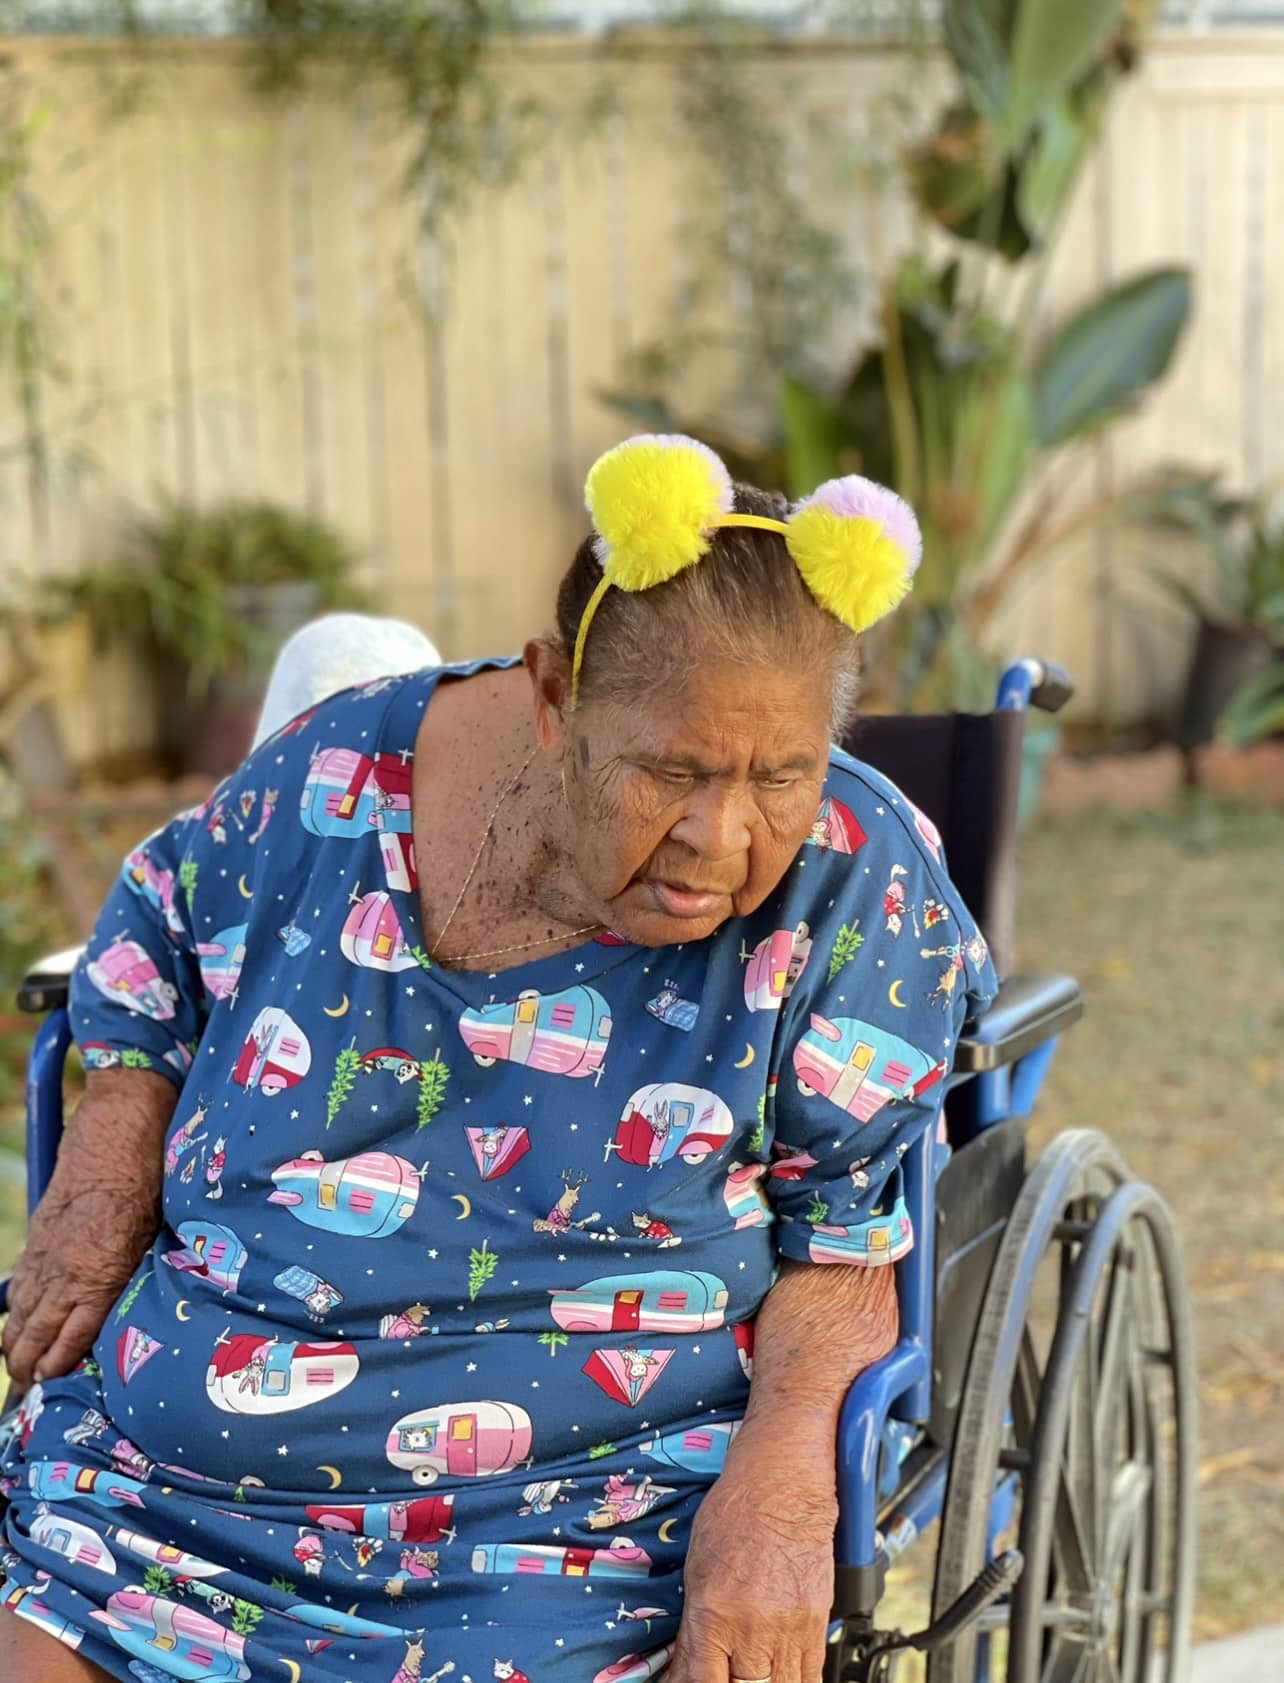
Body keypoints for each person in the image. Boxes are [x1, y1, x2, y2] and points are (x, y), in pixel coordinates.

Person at [0, 434, 997, 1683]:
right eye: (671, 771)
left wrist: (784, 1492)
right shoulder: (337, 770)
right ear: (552, 696)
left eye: (779, 776)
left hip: (557, 1537)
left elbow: (848, 1250)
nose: (720, 834)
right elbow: (157, 916)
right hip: (157, 1500)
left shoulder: (854, 877)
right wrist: (107, 1155)